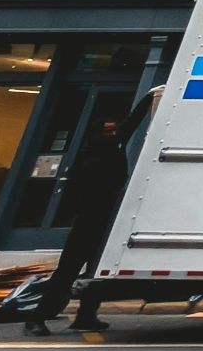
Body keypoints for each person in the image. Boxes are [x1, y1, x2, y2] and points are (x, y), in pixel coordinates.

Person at [24, 115, 135, 336]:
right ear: (96, 134)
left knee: (95, 274)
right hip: (88, 222)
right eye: (107, 131)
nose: (113, 134)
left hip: (106, 222)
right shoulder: (90, 159)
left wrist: (150, 96)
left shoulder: (112, 147)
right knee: (67, 272)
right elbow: (79, 196)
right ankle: (37, 318)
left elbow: (129, 125)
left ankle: (86, 316)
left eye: (114, 131)